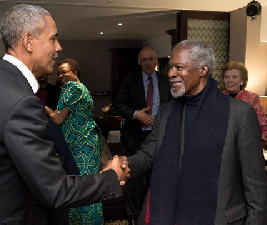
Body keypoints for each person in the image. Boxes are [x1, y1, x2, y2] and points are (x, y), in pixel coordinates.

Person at [0, 4, 129, 225]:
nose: (59, 47)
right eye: (53, 39)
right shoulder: (22, 101)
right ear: (29, 41)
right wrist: (111, 178)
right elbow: (56, 191)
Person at [126, 40, 267, 224]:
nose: (171, 74)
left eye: (179, 67)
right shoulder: (166, 112)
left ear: (203, 70)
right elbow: (148, 154)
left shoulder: (239, 114)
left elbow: (255, 186)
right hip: (169, 215)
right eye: (170, 67)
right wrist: (124, 165)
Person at [113, 46, 172, 224]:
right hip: (135, 138)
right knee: (134, 182)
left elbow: (174, 105)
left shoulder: (165, 80)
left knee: (156, 180)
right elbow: (118, 104)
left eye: (151, 59)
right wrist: (136, 114)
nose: (147, 63)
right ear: (139, 62)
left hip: (159, 138)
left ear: (156, 61)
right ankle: (133, 218)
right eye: (144, 60)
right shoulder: (130, 80)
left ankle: (150, 216)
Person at [45, 58, 105, 225]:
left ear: (75, 72)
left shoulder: (72, 87)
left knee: (83, 188)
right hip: (85, 142)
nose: (61, 76)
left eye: (65, 72)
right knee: (87, 186)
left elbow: (57, 119)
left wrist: (40, 107)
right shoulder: (81, 87)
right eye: (58, 74)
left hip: (81, 145)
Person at [221, 61, 267, 147]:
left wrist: (258, 144)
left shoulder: (253, 98)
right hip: (222, 146)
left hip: (246, 146)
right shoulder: (218, 97)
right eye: (226, 77)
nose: (230, 80)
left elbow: (263, 126)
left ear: (242, 80)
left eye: (234, 77)